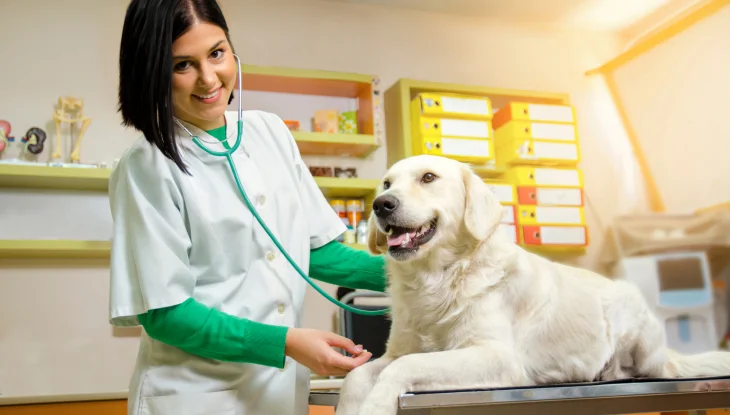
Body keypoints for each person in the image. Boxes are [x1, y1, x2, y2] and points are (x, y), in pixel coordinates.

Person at [109, 1, 388, 414]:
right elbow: (165, 314)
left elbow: (311, 251)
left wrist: (421, 273)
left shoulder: (269, 131)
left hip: (276, 396)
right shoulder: (147, 164)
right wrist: (286, 342)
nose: (208, 79)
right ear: (151, 71)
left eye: (217, 53)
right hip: (194, 397)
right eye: (183, 65)